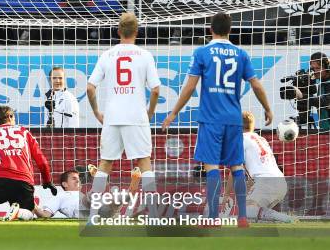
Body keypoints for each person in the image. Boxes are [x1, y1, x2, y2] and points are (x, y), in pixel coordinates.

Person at [162, 12, 273, 228]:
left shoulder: (202, 52)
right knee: (236, 166)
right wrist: (267, 108)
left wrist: (173, 112)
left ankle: (214, 217)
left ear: (210, 29)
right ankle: (242, 217)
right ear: (230, 30)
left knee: (211, 166)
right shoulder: (241, 54)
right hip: (233, 119)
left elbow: (190, 86)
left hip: (211, 119)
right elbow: (256, 85)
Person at [86, 12, 161, 220]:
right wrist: (151, 112)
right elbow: (155, 90)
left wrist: (96, 112)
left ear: (118, 31)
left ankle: (93, 214)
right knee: (144, 162)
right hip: (136, 116)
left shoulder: (107, 55)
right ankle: (154, 213)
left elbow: (90, 88)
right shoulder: (145, 55)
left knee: (105, 163)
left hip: (112, 117)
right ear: (137, 32)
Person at [220, 111, 294, 223]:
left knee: (246, 211)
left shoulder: (240, 140)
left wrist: (226, 195)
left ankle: (284, 218)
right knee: (254, 213)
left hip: (266, 182)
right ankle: (274, 223)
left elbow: (234, 170)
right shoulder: (261, 139)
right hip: (280, 183)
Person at [310, 52, 329, 132]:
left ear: (326, 67)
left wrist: (302, 97)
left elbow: (325, 101)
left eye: (317, 68)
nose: (315, 71)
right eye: (312, 69)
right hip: (324, 130)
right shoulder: (322, 80)